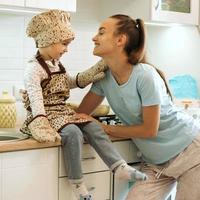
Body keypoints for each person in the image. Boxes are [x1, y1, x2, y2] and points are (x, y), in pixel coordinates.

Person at [20, 10, 147, 200]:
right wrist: (40, 123)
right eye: (64, 44)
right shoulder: (33, 68)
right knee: (73, 132)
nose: (66, 49)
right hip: (46, 115)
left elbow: (66, 82)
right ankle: (78, 185)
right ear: (48, 40)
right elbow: (36, 97)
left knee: (94, 128)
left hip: (61, 112)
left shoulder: (56, 63)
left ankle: (119, 167)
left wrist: (89, 74)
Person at [77, 14, 200, 200]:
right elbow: (81, 114)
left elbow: (150, 129)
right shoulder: (104, 77)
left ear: (120, 40)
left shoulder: (145, 75)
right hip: (156, 164)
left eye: (101, 32)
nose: (94, 38)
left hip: (191, 154)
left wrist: (103, 128)